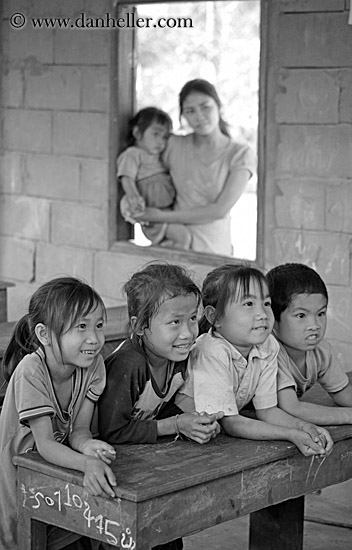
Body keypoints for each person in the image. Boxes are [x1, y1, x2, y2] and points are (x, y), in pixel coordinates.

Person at [98, 263, 223, 550]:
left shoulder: (177, 356)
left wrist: (197, 421)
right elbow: (110, 430)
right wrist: (177, 425)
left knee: (166, 528)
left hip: (138, 458)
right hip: (104, 463)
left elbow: (164, 406)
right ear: (140, 327)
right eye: (175, 322)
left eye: (193, 318)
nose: (189, 332)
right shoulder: (130, 365)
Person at [0, 277, 117, 550]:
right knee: (25, 537)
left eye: (99, 326)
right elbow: (46, 444)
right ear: (44, 335)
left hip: (52, 474)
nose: (95, 339)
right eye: (81, 327)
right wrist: (86, 464)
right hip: (16, 475)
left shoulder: (93, 366)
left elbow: (79, 430)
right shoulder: (31, 371)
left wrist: (88, 446)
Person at [175, 263, 333, 457]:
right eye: (249, 304)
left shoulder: (268, 346)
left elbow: (267, 411)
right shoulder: (212, 350)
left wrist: (306, 428)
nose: (262, 314)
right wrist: (291, 434)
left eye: (266, 303)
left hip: (216, 436)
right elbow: (230, 423)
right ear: (215, 317)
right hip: (180, 438)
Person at [135, 79, 257, 256]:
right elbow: (138, 165)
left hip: (214, 253)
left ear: (218, 106)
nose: (199, 116)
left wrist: (158, 216)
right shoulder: (173, 145)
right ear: (183, 116)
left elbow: (219, 210)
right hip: (171, 247)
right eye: (190, 111)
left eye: (205, 107)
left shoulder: (240, 154)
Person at [266, 263, 352, 430]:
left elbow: (340, 389)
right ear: (273, 321)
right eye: (301, 315)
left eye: (320, 314)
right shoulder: (269, 353)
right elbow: (292, 408)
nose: (314, 325)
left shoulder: (321, 350)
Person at [117, 107, 191, 249]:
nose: (160, 142)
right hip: (153, 214)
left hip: (167, 211)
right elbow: (126, 176)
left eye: (164, 137)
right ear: (138, 133)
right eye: (156, 134)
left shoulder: (159, 157)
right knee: (183, 238)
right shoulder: (133, 154)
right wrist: (133, 196)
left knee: (179, 239)